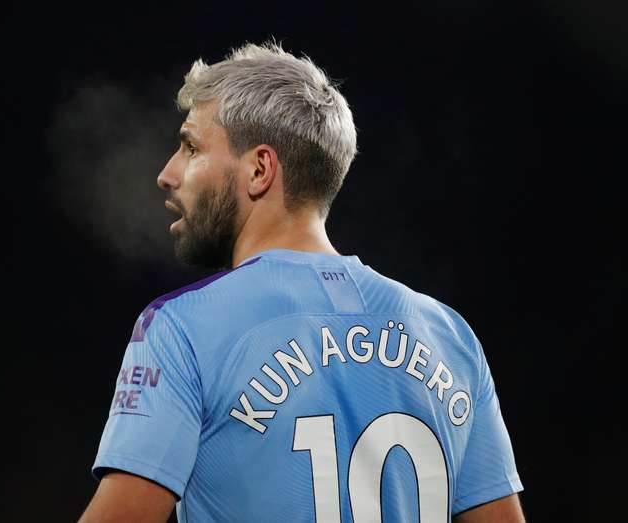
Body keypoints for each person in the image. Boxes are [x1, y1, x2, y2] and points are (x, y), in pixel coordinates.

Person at [78, 42, 525, 523]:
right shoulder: (449, 335)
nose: (168, 173)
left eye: (191, 147)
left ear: (259, 169)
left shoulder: (180, 328)